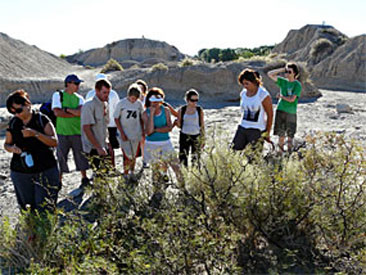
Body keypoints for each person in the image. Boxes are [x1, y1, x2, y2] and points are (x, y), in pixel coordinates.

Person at [4, 90, 60, 212]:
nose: (17, 114)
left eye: (18, 110)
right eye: (12, 112)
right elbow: (7, 144)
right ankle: (30, 230)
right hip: (21, 171)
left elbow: (54, 141)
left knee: (46, 208)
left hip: (45, 169)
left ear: (27, 104)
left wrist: (35, 134)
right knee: (27, 209)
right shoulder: (14, 123)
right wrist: (12, 149)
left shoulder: (41, 119)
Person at [52, 74, 89, 186]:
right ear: (68, 84)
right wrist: (74, 113)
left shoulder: (80, 98)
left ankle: (84, 178)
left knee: (81, 156)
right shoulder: (58, 95)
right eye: (76, 83)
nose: (78, 86)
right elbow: (57, 112)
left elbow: (81, 113)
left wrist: (66, 110)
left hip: (76, 132)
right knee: (61, 157)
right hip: (62, 132)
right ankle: (59, 180)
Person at [142, 88, 182, 183]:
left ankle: (183, 188)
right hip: (152, 144)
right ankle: (157, 191)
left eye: (157, 101)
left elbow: (169, 128)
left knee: (176, 167)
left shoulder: (166, 111)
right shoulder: (145, 113)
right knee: (155, 170)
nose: (155, 104)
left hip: (165, 142)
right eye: (153, 101)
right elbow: (149, 132)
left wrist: (155, 129)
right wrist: (151, 114)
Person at [232, 69, 273, 151]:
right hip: (243, 127)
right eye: (243, 84)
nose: (245, 86)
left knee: (254, 158)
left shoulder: (263, 94)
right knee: (233, 152)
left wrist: (267, 133)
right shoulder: (243, 93)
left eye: (247, 83)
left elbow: (270, 114)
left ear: (254, 82)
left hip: (256, 130)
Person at [86, 73, 120, 166]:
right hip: (111, 124)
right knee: (109, 147)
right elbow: (117, 108)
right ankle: (111, 166)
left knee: (98, 147)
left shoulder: (90, 93)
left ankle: (101, 168)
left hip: (98, 125)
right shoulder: (113, 93)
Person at [267, 63, 302, 152]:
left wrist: (282, 97)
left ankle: (289, 154)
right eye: (286, 72)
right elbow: (270, 74)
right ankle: (281, 153)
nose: (287, 74)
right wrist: (282, 69)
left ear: (295, 73)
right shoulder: (283, 82)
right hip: (281, 110)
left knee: (290, 136)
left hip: (291, 112)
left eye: (289, 72)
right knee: (281, 135)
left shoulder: (297, 85)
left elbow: (292, 99)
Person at [81, 78, 112, 178]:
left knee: (105, 173)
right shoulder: (89, 105)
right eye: (104, 92)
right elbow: (86, 128)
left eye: (108, 92)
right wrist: (98, 147)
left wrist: (107, 142)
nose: (106, 95)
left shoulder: (105, 105)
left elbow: (104, 125)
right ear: (97, 91)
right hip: (93, 147)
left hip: (103, 144)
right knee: (98, 175)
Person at [114, 83, 144, 176]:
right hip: (124, 133)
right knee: (127, 155)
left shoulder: (138, 104)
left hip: (136, 133)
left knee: (134, 155)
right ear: (128, 95)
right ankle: (126, 174)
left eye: (135, 98)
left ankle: (132, 172)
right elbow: (116, 118)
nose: (133, 100)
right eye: (132, 98)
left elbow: (141, 117)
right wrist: (122, 133)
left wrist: (142, 131)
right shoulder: (121, 103)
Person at [176, 89, 205, 167]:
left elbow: (202, 125)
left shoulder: (199, 110)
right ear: (187, 100)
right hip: (184, 135)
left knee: (196, 158)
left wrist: (203, 138)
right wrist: (176, 122)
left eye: (196, 100)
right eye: (192, 100)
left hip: (196, 135)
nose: (195, 102)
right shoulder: (182, 110)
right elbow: (179, 125)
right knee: (183, 157)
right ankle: (183, 176)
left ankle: (195, 176)